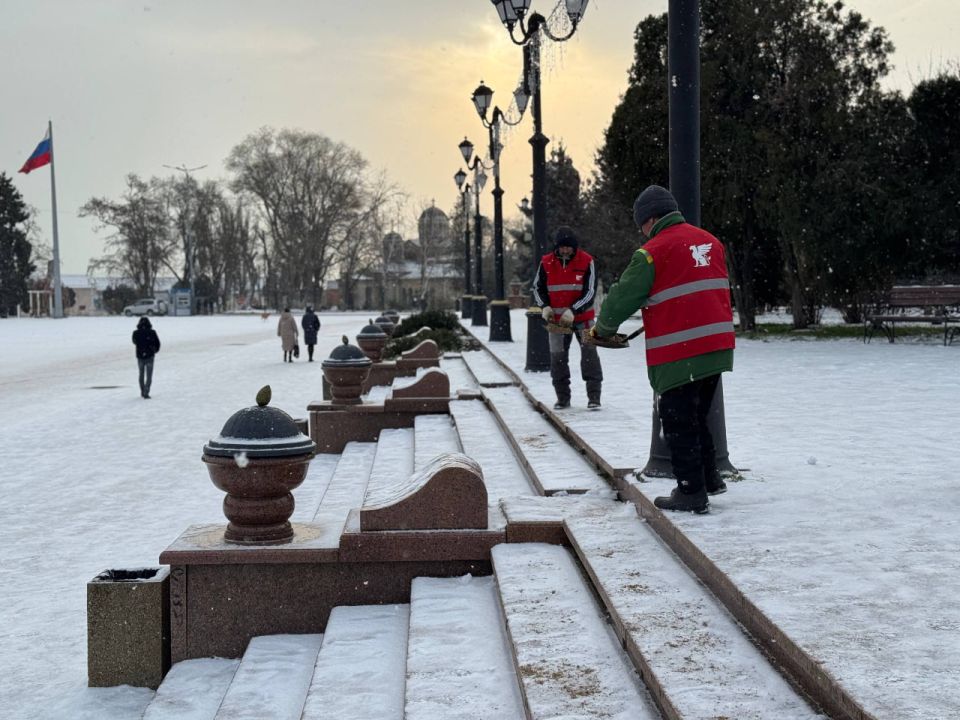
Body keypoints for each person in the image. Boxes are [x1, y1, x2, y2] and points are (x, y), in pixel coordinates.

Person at [589, 185, 735, 514]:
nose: (641, 231)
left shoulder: (652, 252)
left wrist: (603, 330)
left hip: (680, 350)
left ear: (651, 218)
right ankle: (710, 478)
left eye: (641, 224)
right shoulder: (710, 241)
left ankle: (691, 491)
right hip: (716, 345)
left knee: (678, 422)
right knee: (699, 415)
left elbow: (623, 296)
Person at [533, 225, 603, 410]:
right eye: (561, 247)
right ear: (556, 247)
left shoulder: (587, 261)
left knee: (590, 355)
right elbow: (538, 288)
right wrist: (545, 306)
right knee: (558, 358)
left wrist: (573, 310)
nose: (565, 250)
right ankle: (562, 398)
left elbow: (590, 292)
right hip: (556, 320)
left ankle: (594, 397)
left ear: (574, 247)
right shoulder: (546, 263)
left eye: (568, 247)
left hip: (583, 318)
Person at [132, 317, 161, 399]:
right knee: (149, 375)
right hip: (150, 356)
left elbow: (134, 341)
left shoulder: (135, 333)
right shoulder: (152, 332)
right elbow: (158, 343)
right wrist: (154, 350)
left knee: (141, 374)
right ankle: (146, 391)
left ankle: (142, 390)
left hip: (140, 356)